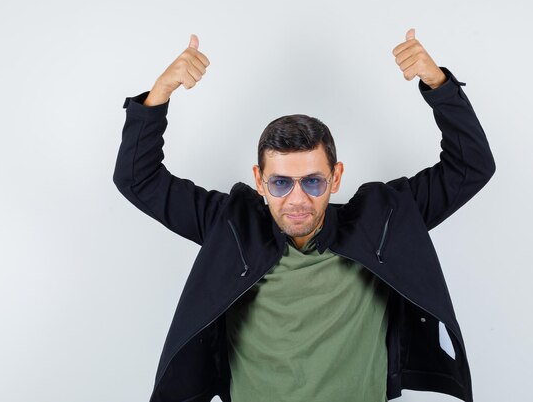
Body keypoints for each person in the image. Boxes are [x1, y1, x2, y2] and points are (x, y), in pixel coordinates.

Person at [113, 29, 495, 402]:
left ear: (336, 177)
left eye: (313, 182)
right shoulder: (231, 225)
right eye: (281, 183)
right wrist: (159, 94)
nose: (297, 199)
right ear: (259, 181)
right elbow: (137, 179)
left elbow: (471, 166)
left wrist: (438, 85)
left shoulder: (381, 222)